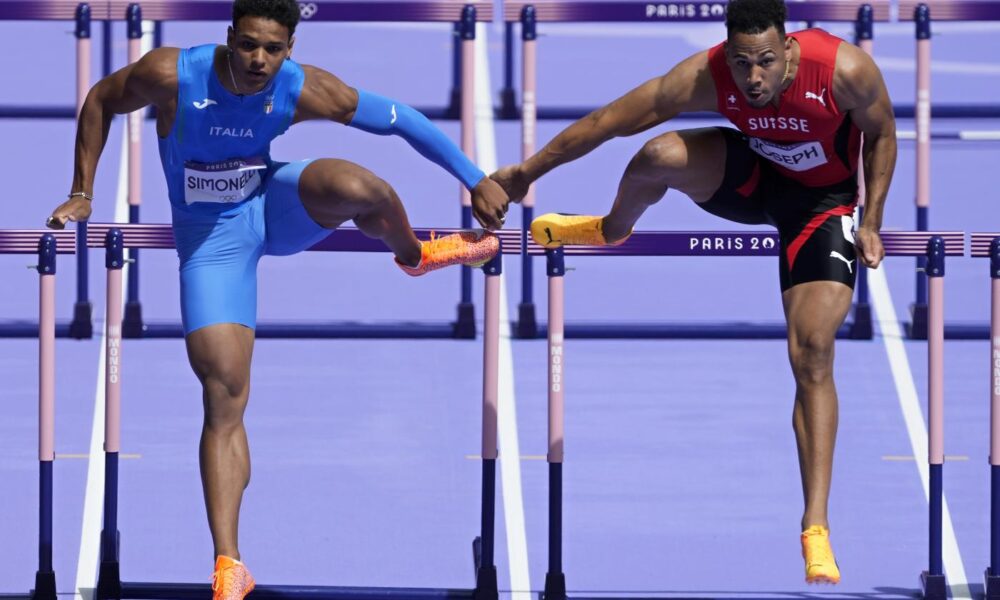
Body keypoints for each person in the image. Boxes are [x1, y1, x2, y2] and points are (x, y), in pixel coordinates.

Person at [45, 1, 510, 597]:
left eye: (272, 49)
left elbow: (399, 119)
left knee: (363, 187)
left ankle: (416, 256)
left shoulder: (302, 88)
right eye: (248, 45)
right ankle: (229, 566)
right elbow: (101, 100)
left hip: (271, 205)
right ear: (229, 38)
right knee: (224, 394)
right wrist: (82, 190)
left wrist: (475, 177)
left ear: (290, 49)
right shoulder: (172, 74)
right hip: (210, 242)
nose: (258, 60)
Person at [491, 0, 895, 584]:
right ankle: (612, 229)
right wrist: (527, 172)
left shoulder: (843, 71)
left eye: (764, 62)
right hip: (752, 178)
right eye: (740, 63)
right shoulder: (707, 75)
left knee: (812, 352)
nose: (752, 78)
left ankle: (815, 527)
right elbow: (610, 120)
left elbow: (882, 133)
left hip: (824, 207)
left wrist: (873, 219)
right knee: (657, 154)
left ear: (788, 49)